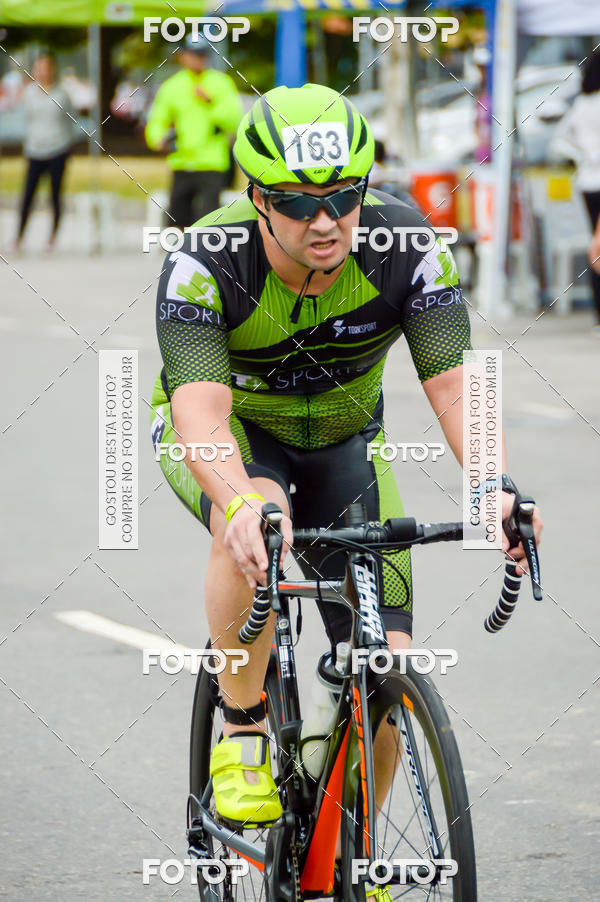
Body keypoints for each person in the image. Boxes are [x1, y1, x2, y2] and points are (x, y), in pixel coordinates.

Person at [150, 84, 543, 900]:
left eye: (344, 197)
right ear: (258, 198)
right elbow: (200, 410)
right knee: (255, 514)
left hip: (344, 440)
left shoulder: (407, 243)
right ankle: (245, 724)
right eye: (297, 202)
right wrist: (237, 499)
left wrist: (493, 486)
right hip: (234, 437)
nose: (325, 220)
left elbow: (453, 385)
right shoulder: (204, 258)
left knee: (388, 671)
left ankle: (344, 851)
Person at [144, 33, 242, 230]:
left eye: (202, 55)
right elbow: (157, 119)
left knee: (208, 217)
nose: (198, 60)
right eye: (194, 55)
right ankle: (180, 255)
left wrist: (210, 103)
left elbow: (234, 120)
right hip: (182, 159)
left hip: (212, 162)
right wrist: (157, 139)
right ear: (183, 56)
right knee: (177, 217)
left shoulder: (220, 83)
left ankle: (207, 255)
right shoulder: (172, 86)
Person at [552, 49, 600, 327]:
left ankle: (598, 314)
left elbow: (560, 139)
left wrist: (582, 156)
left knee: (595, 245)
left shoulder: (582, 104)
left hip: (588, 182)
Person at [12, 52, 77, 252]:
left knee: (55, 195)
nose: (43, 72)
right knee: (27, 195)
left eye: (47, 67)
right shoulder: (29, 93)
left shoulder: (62, 94)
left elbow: (71, 121)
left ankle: (52, 238)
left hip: (58, 149)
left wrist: (68, 146)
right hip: (35, 150)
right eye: (40, 67)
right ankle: (19, 237)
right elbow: (23, 119)